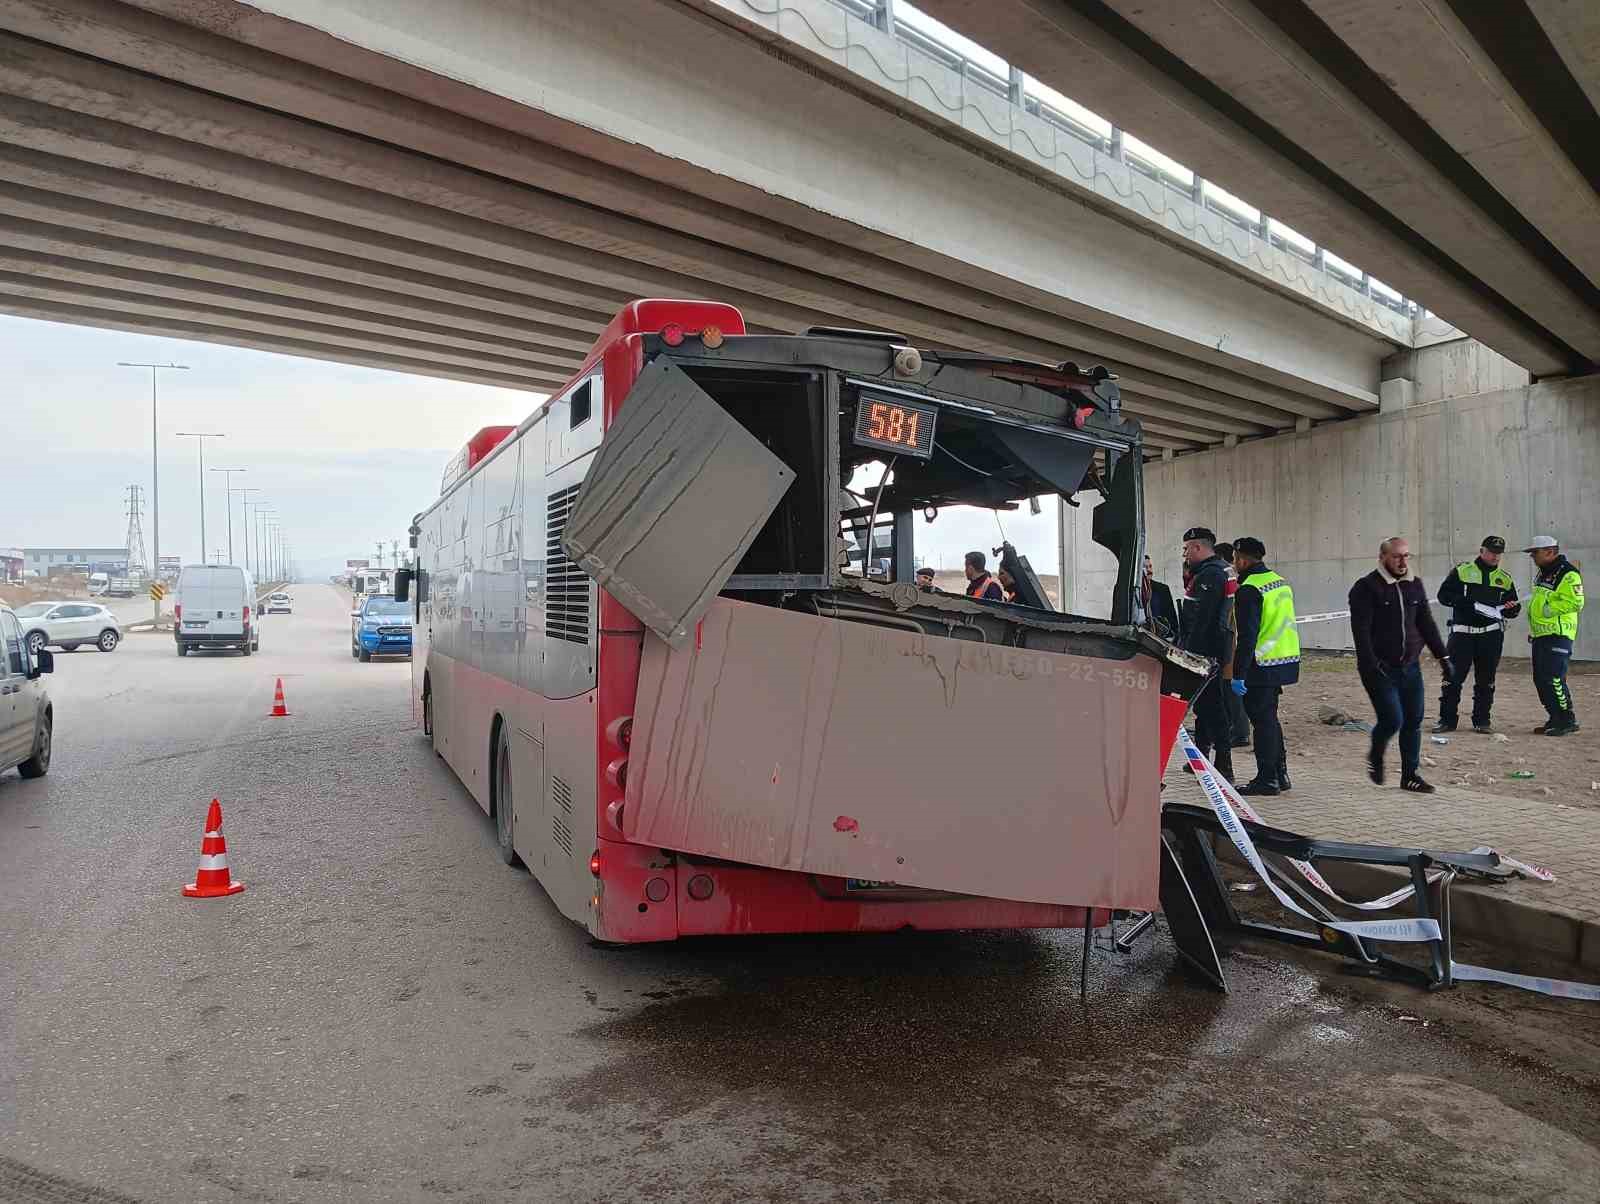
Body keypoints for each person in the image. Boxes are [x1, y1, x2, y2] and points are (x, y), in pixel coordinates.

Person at [1349, 537, 1451, 793]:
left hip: (1410, 666)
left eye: (1406, 556)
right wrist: (1371, 665)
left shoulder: (1414, 585)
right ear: (1382, 557)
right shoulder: (1365, 587)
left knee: (1413, 721)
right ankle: (1377, 753)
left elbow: (1426, 623)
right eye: (1397, 556)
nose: (1403, 561)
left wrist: (1443, 657)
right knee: (1392, 719)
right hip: (1380, 668)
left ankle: (1410, 775)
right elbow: (1361, 633)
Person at [1231, 537, 1297, 796]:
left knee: (1262, 722)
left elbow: (1247, 635)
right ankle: (1280, 774)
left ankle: (1266, 778)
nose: (1234, 563)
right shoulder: (1279, 582)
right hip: (1282, 660)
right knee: (1270, 720)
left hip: (1260, 663)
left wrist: (1238, 673)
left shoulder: (1249, 588)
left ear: (1244, 559)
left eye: (1235, 558)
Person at [1434, 535, 1519, 734]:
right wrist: (1461, 602)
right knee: (1452, 678)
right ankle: (1447, 721)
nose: (1494, 557)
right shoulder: (1462, 571)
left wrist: (1512, 610)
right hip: (1462, 635)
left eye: (1498, 553)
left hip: (1491, 636)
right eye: (1491, 552)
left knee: (1486, 680)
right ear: (1481, 551)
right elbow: (1443, 596)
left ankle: (1482, 721)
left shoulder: (1505, 578)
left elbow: (1512, 606)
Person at [1176, 527, 1235, 783]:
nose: (1185, 554)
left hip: (1206, 653)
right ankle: (1200, 759)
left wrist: (1190, 656)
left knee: (1213, 709)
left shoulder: (1210, 575)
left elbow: (1202, 620)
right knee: (1205, 708)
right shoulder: (1221, 569)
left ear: (1198, 547)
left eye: (1187, 549)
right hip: (1214, 651)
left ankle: (1223, 767)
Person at [1523, 535, 1584, 735]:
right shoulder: (1543, 573)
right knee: (1540, 679)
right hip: (1542, 634)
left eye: (1535, 552)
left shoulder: (1568, 574)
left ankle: (1567, 719)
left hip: (1558, 633)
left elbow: (1576, 602)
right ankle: (1554, 716)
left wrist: (1547, 610)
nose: (1532, 557)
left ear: (1550, 552)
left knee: (1554, 678)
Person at [1215, 542, 1250, 749]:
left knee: (1231, 690)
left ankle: (1239, 731)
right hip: (1234, 639)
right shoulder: (1235, 578)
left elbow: (1229, 615)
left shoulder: (1229, 579)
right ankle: (1236, 728)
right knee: (1229, 689)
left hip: (1232, 640)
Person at [1141, 554, 1179, 637]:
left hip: (1160, 639)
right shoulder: (1132, 590)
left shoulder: (1162, 589)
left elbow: (1172, 619)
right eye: (1145, 567)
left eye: (1150, 566)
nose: (1149, 570)